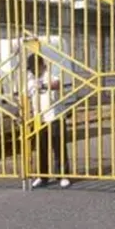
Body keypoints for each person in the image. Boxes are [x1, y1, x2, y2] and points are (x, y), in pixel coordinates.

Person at [26, 54, 71, 189]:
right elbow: (26, 95)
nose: (33, 71)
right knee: (41, 148)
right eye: (31, 69)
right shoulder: (30, 78)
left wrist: (44, 84)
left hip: (55, 116)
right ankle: (42, 176)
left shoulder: (51, 72)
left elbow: (57, 84)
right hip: (39, 118)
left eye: (34, 68)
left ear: (41, 65)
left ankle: (63, 176)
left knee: (58, 147)